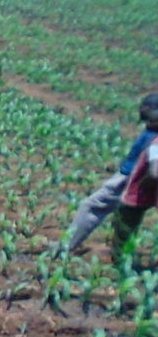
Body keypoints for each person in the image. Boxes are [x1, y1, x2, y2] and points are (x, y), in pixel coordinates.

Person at [64, 93, 158, 252]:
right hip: (133, 180)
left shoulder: (155, 141)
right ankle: (121, 258)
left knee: (92, 207)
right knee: (127, 221)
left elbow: (155, 170)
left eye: (149, 112)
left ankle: (65, 246)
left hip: (128, 180)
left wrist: (144, 180)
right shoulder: (151, 132)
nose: (146, 118)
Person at [112, 131, 158, 263]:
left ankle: (120, 262)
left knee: (124, 228)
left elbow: (154, 173)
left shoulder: (156, 144)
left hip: (139, 194)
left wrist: (143, 183)